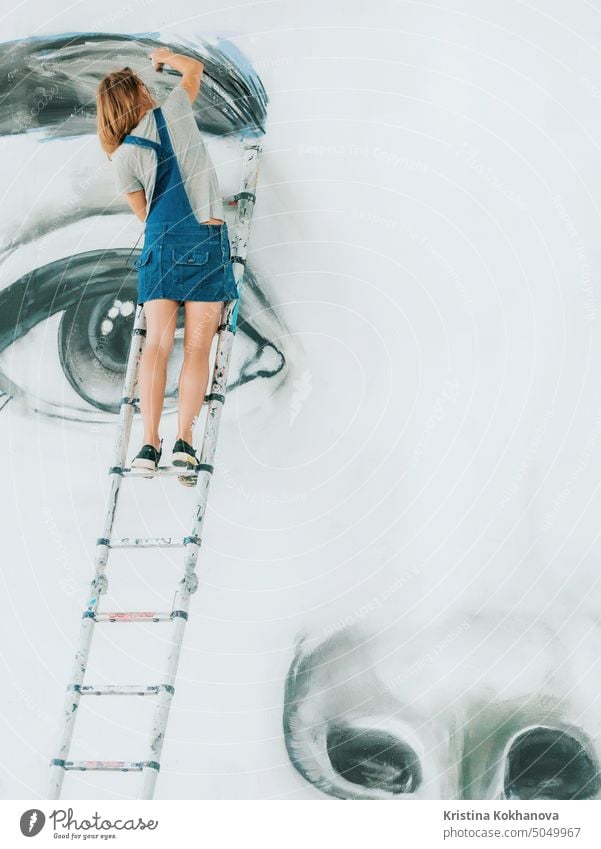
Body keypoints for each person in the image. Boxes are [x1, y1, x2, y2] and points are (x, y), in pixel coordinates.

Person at [95, 48, 238, 485]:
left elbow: (144, 213)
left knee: (155, 345)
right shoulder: (173, 108)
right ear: (139, 92)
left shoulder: (121, 158)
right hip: (203, 238)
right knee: (197, 348)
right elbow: (194, 70)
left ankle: (148, 446)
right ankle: (185, 443)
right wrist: (163, 57)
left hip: (160, 247)